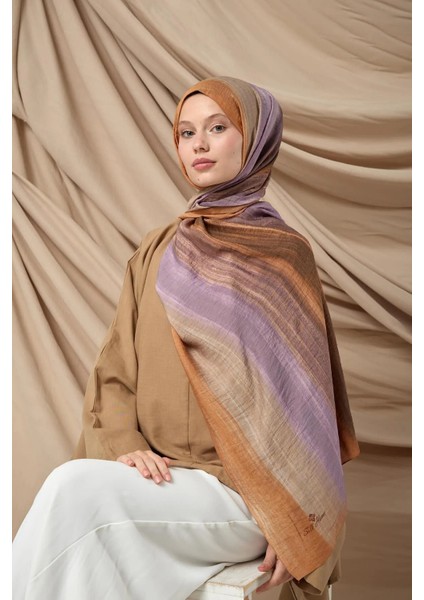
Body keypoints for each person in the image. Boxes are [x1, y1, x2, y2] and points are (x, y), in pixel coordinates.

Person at [13, 76, 360, 600]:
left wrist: (294, 519)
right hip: (161, 480)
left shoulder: (282, 257)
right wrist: (126, 446)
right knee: (74, 497)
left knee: (74, 495)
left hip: (245, 495)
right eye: (186, 132)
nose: (199, 144)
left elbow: (306, 410)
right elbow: (115, 374)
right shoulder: (157, 250)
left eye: (217, 128)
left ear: (254, 138)